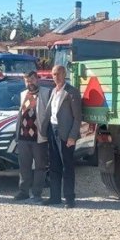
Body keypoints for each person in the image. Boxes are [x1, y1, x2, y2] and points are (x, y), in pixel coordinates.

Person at [43, 65, 82, 208]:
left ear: (64, 74)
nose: (56, 77)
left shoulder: (72, 92)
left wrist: (73, 136)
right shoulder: (53, 91)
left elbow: (77, 117)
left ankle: (70, 199)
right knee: (54, 165)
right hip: (52, 131)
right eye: (54, 74)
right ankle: (55, 197)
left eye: (59, 74)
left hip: (65, 134)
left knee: (67, 167)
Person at [14, 70, 50, 202]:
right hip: (23, 137)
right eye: (27, 81)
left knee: (40, 167)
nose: (30, 83)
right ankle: (23, 191)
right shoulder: (23, 94)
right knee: (24, 166)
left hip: (39, 137)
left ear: (37, 79)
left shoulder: (45, 93)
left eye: (32, 80)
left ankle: (37, 193)